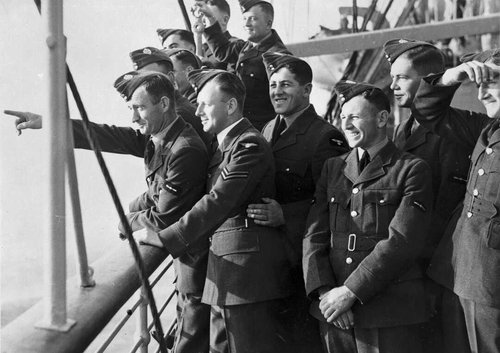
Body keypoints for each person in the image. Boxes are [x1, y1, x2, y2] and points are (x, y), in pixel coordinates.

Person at [5, 71, 211, 353]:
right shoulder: (161, 136)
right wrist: (48, 122)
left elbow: (164, 217)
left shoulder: (184, 148)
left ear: (164, 104)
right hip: (186, 255)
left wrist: (126, 222)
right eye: (131, 109)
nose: (134, 118)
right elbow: (106, 135)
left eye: (140, 108)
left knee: (192, 335)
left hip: (197, 259)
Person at [135, 68, 293, 353]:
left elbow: (219, 200)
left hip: (246, 281)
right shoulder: (224, 148)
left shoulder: (249, 144)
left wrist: (165, 237)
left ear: (230, 106)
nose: (198, 110)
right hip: (223, 276)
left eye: (206, 103)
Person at [303, 80, 433, 353]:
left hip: (386, 312)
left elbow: (401, 242)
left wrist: (349, 292)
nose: (346, 124)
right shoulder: (333, 167)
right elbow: (314, 235)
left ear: (382, 118)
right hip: (333, 313)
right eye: (343, 117)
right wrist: (326, 293)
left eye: (355, 117)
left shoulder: (410, 169)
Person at [245, 52, 348, 353]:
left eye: (286, 85)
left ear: (306, 90)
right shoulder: (266, 129)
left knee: (302, 341)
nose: (277, 92)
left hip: (303, 263)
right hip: (270, 261)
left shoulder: (326, 138)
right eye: (273, 85)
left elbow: (334, 202)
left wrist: (285, 215)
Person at [383, 38, 472, 352]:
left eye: (402, 78)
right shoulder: (402, 130)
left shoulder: (448, 133)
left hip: (434, 269)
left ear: (429, 81)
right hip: (410, 266)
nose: (393, 85)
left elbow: (447, 207)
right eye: (392, 77)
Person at [411, 48, 500, 353]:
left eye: (493, 82)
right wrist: (451, 77)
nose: (483, 93)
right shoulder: (486, 128)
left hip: (492, 284)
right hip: (459, 270)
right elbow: (427, 112)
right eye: (480, 84)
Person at [195, 0, 290, 131]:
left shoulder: (278, 56)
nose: (246, 24)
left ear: (268, 24)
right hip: (242, 124)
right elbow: (222, 50)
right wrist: (210, 18)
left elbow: (286, 101)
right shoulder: (247, 46)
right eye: (245, 19)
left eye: (253, 19)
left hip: (263, 129)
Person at [129, 46, 211, 148]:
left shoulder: (179, 114)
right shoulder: (177, 107)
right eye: (142, 82)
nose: (146, 87)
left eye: (153, 79)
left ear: (171, 78)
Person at [191, 0, 243, 70]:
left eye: (209, 15)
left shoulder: (235, 45)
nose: (204, 20)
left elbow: (231, 77)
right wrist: (198, 36)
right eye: (203, 15)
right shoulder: (204, 47)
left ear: (225, 20)